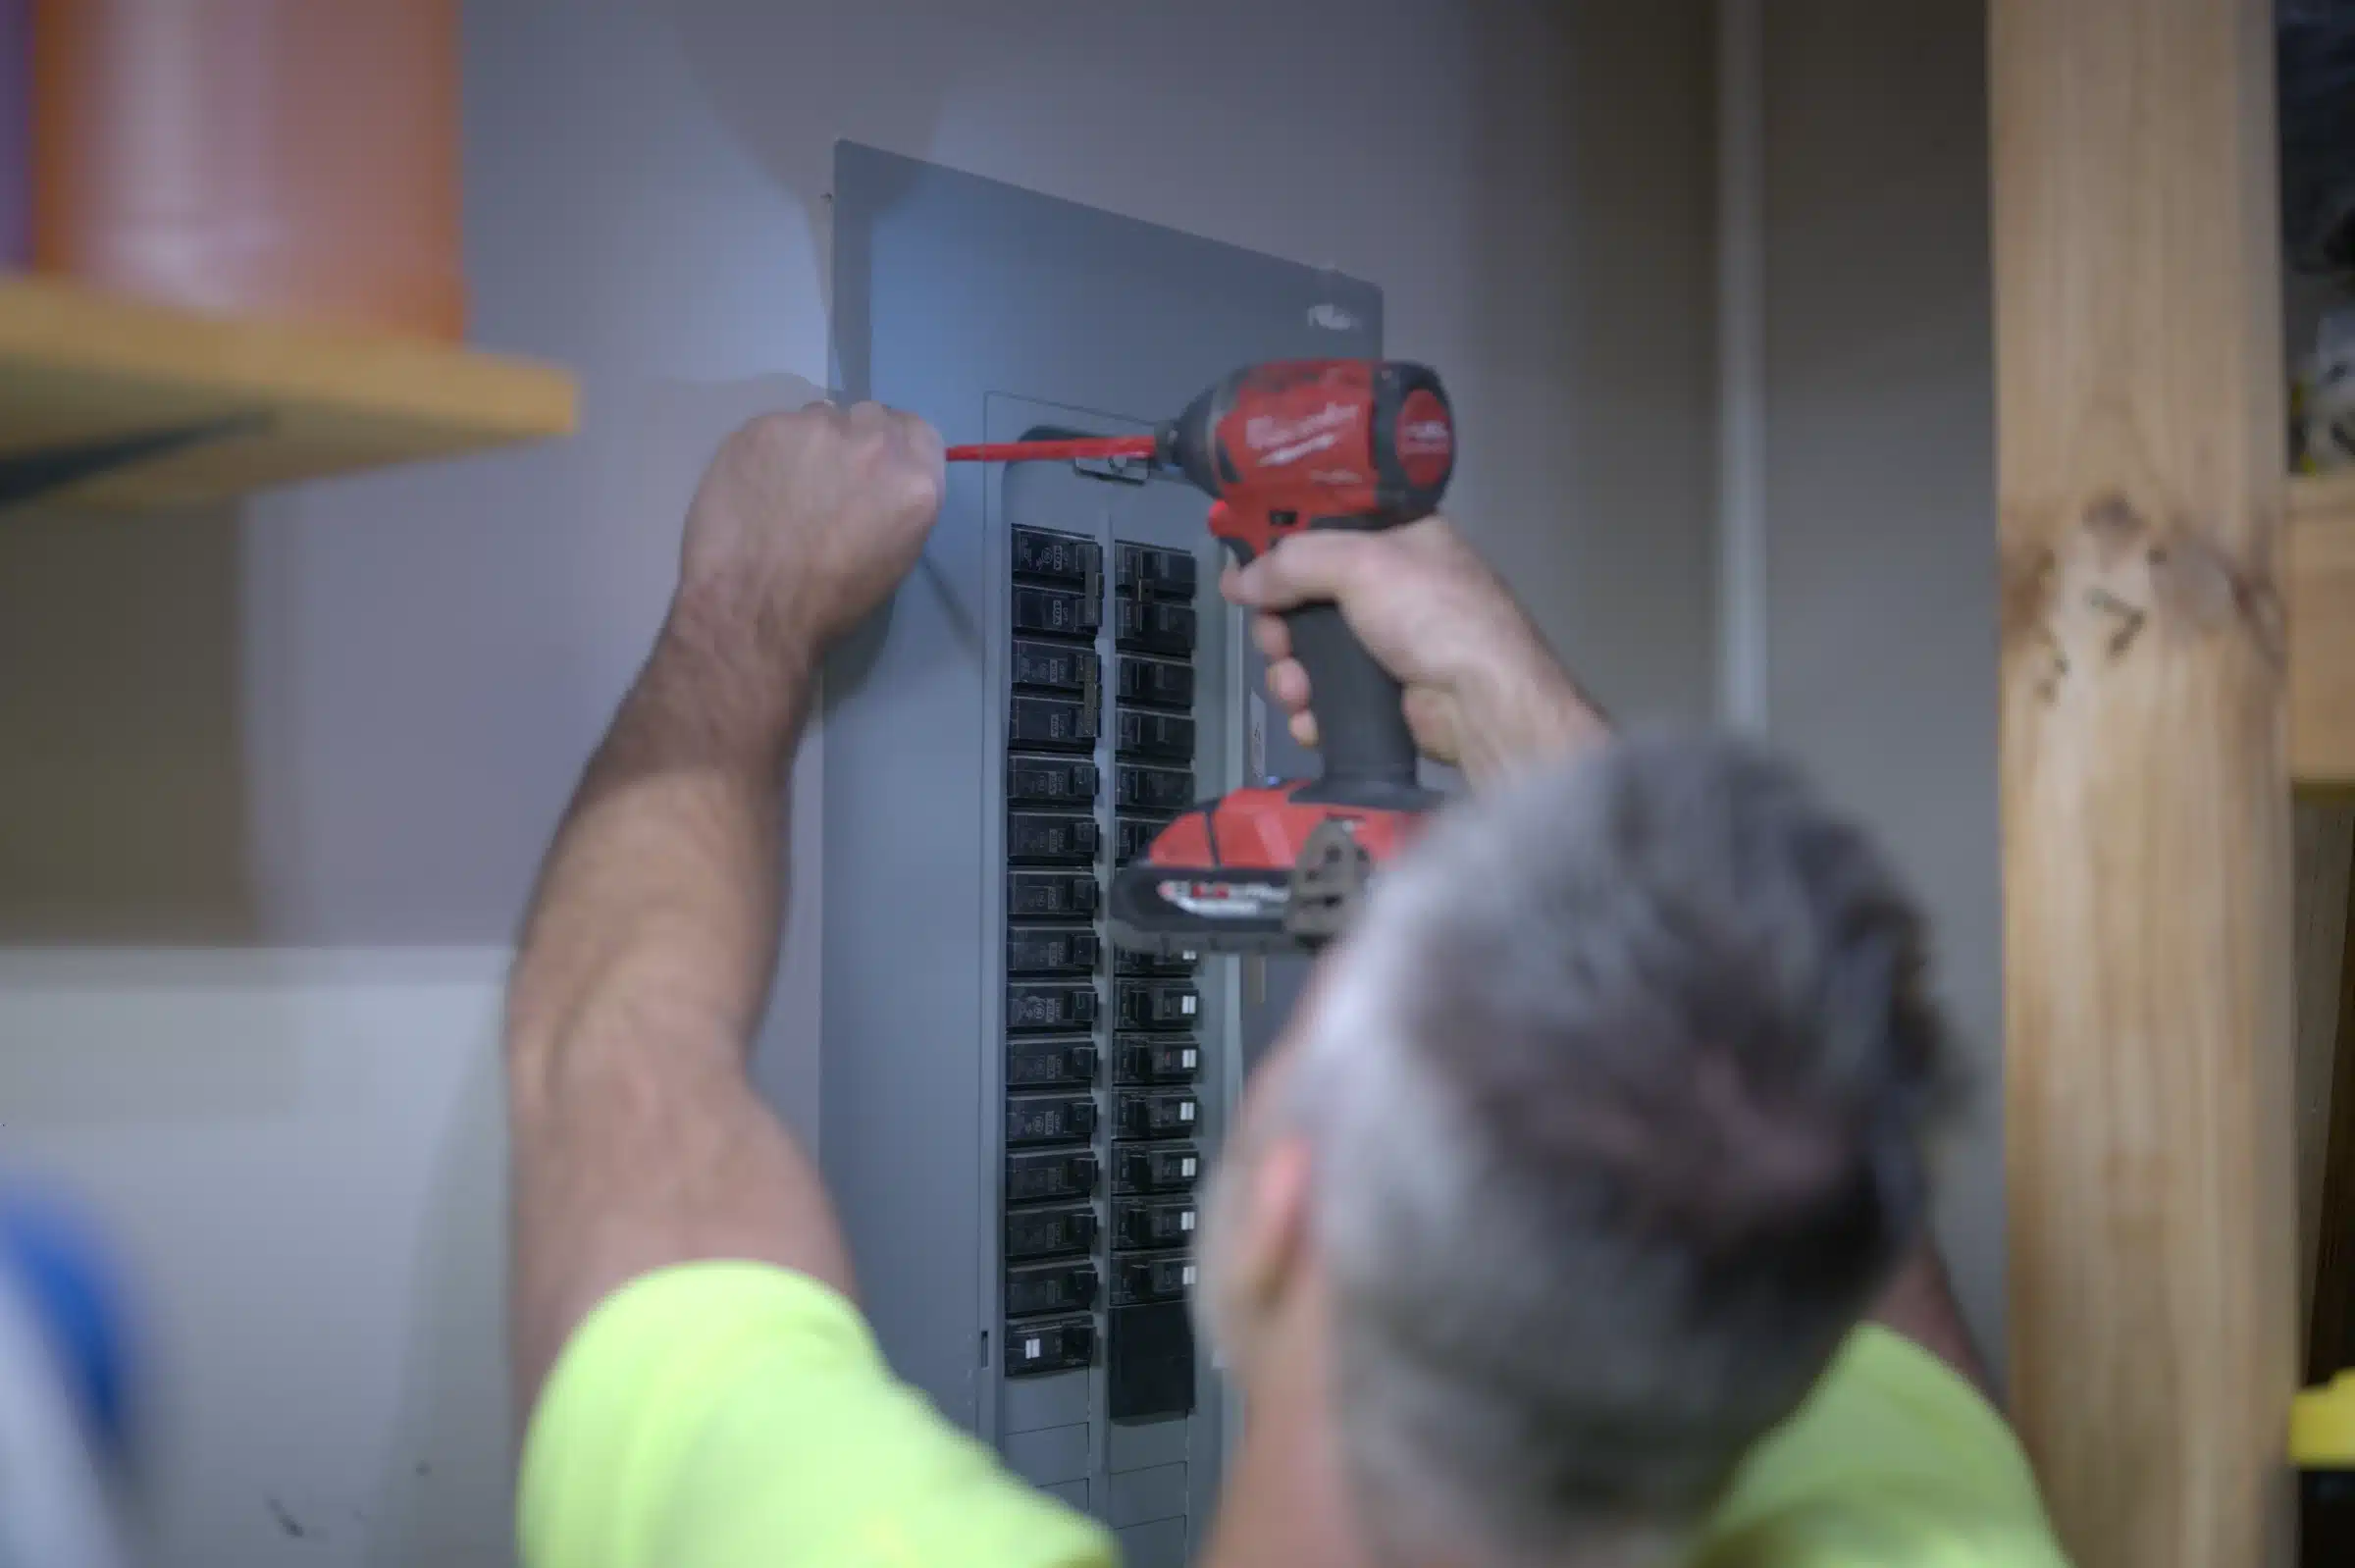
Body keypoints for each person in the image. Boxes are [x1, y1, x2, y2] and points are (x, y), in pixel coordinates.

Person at [503, 401, 2067, 1567]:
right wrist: (1510, 693)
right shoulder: (1928, 1524)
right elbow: (1815, 1176)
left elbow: (616, 1063)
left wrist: (747, 608)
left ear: (1281, 1216)